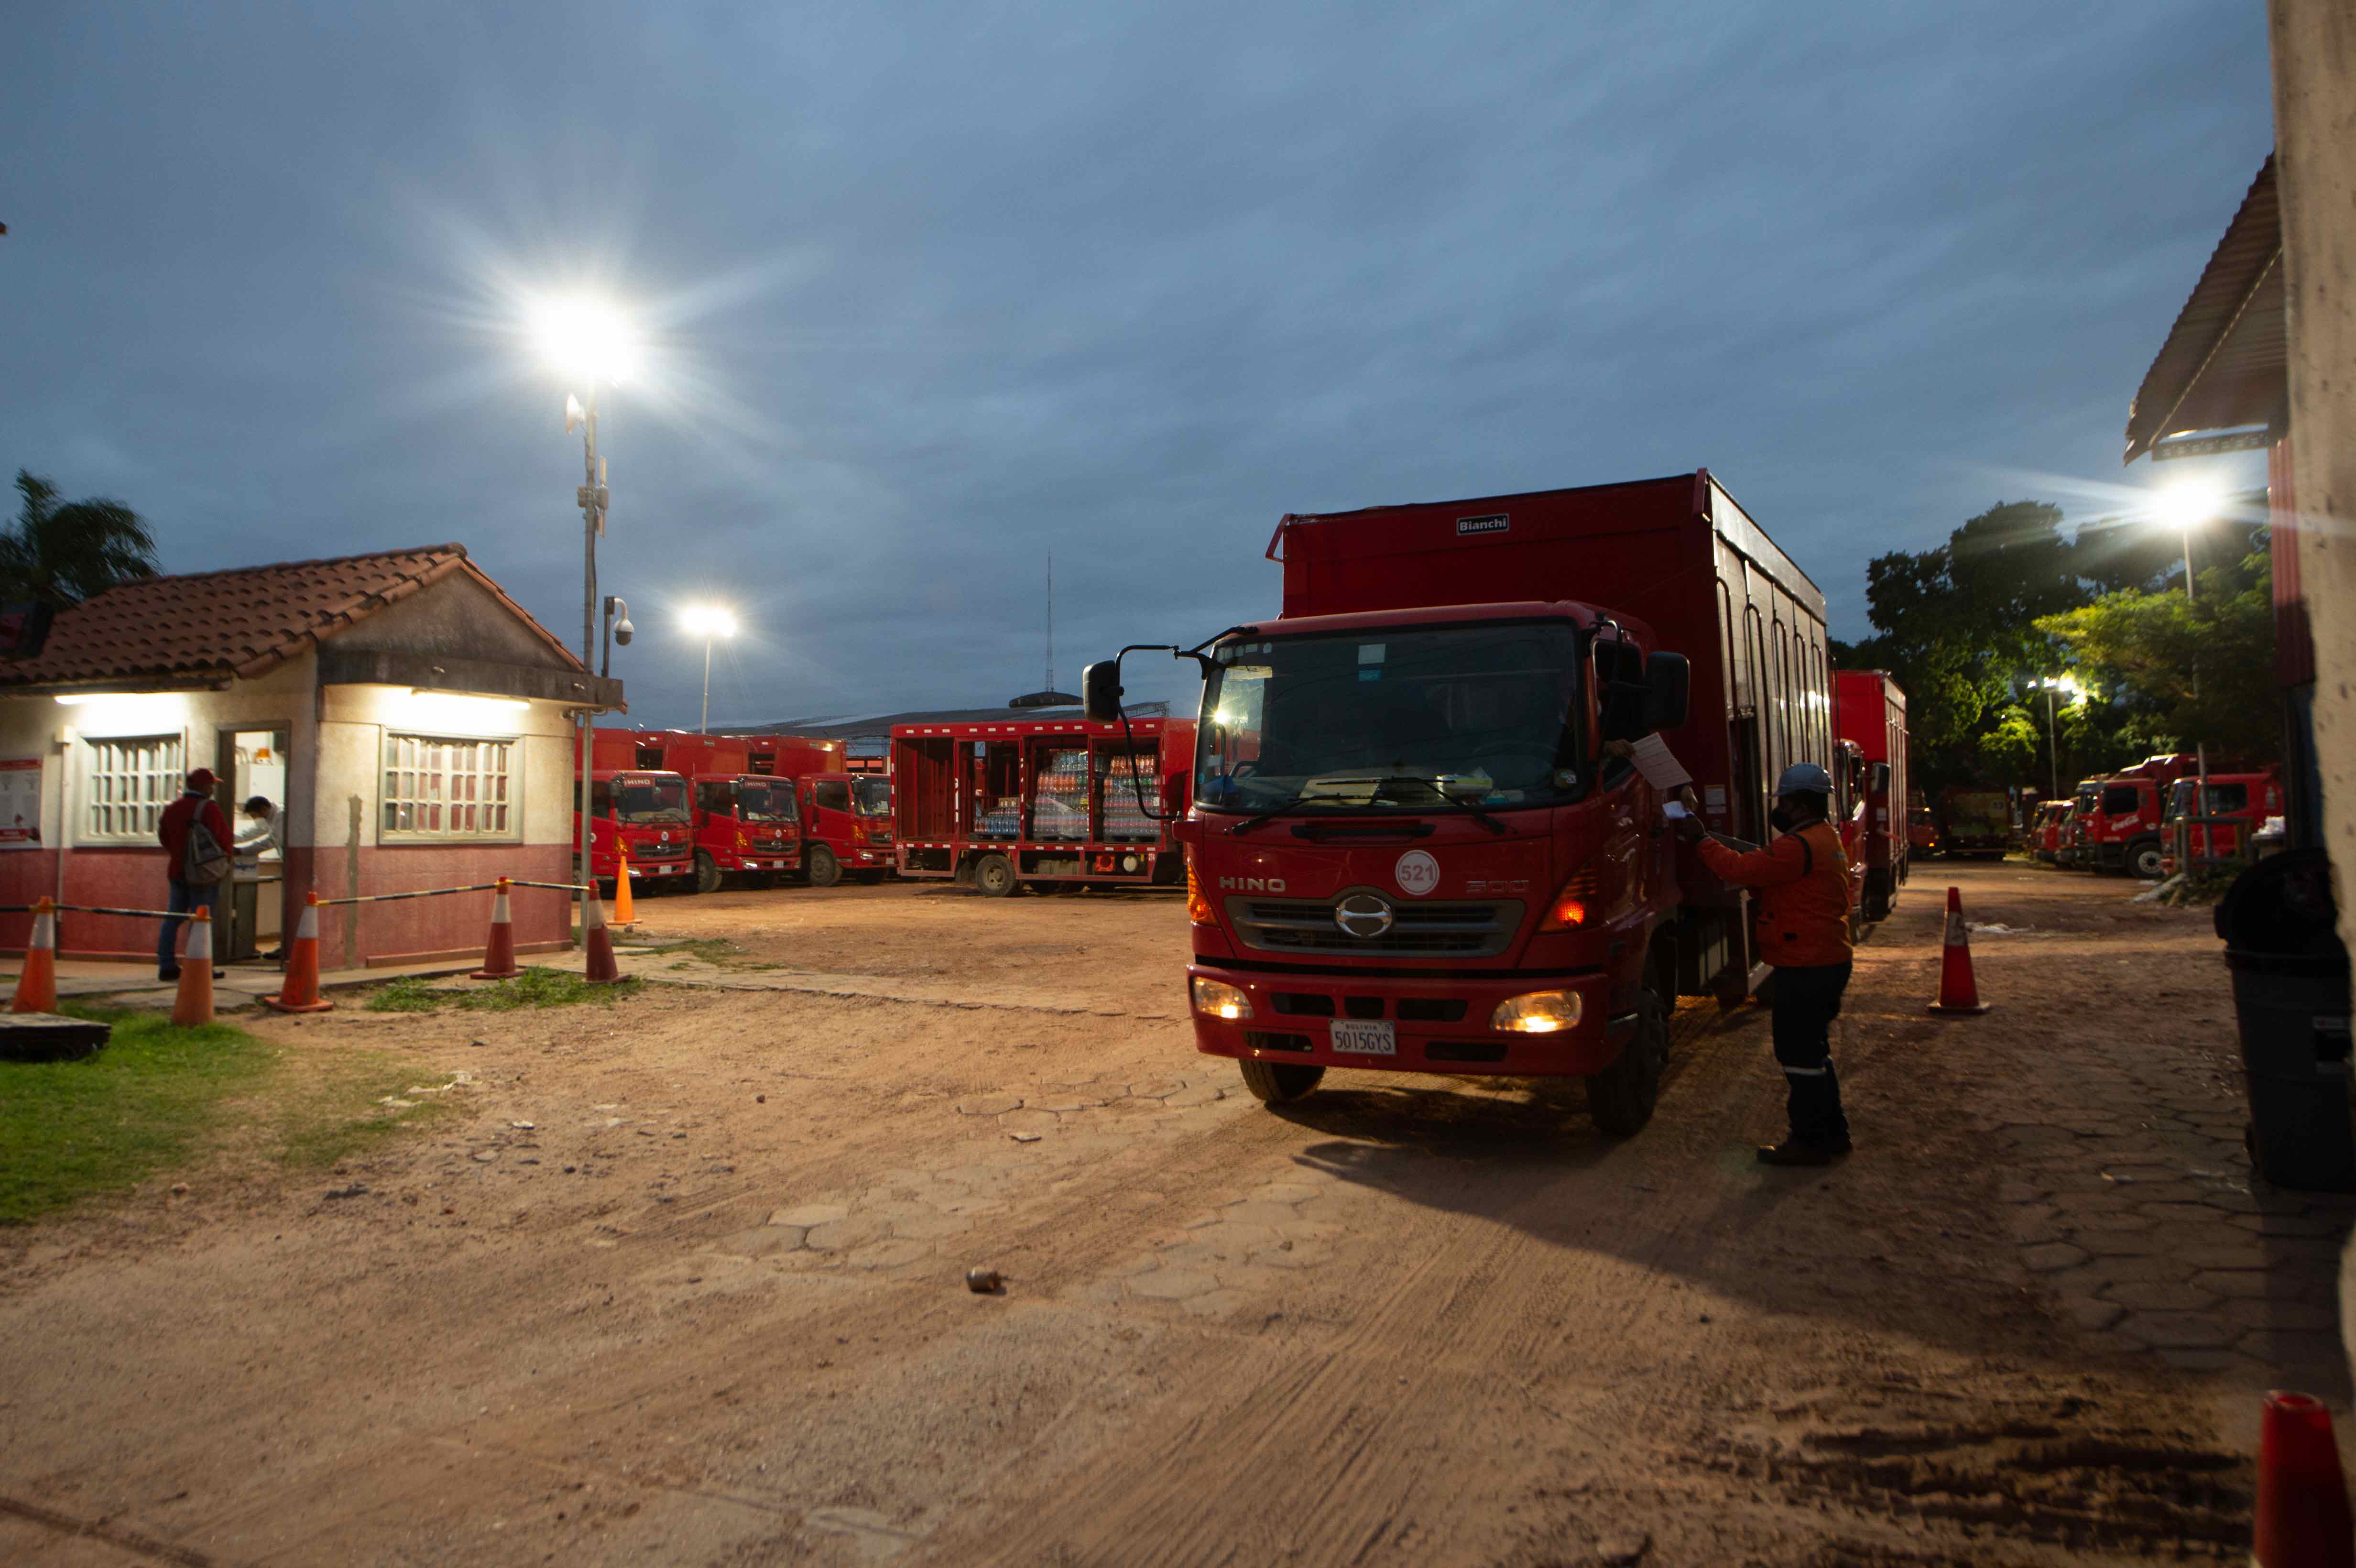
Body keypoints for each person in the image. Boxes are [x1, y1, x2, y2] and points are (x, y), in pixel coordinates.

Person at [1675, 762, 1855, 1166]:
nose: (1781, 808)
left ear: (1799, 804)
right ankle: (1833, 1134)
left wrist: (1700, 840)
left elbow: (1739, 870)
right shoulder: (1823, 839)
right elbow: (1770, 872)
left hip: (1808, 966)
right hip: (1825, 961)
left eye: (1785, 802)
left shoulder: (1798, 846)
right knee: (1815, 1053)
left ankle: (1809, 1140)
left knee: (1798, 1055)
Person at [157, 768, 232, 982]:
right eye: (212, 785)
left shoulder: (172, 808)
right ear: (205, 787)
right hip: (203, 874)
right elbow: (224, 839)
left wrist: (180, 855)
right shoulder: (209, 809)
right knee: (201, 921)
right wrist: (225, 863)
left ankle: (166, 965)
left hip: (177, 871)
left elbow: (164, 838)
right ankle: (199, 968)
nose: (213, 789)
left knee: (172, 919)